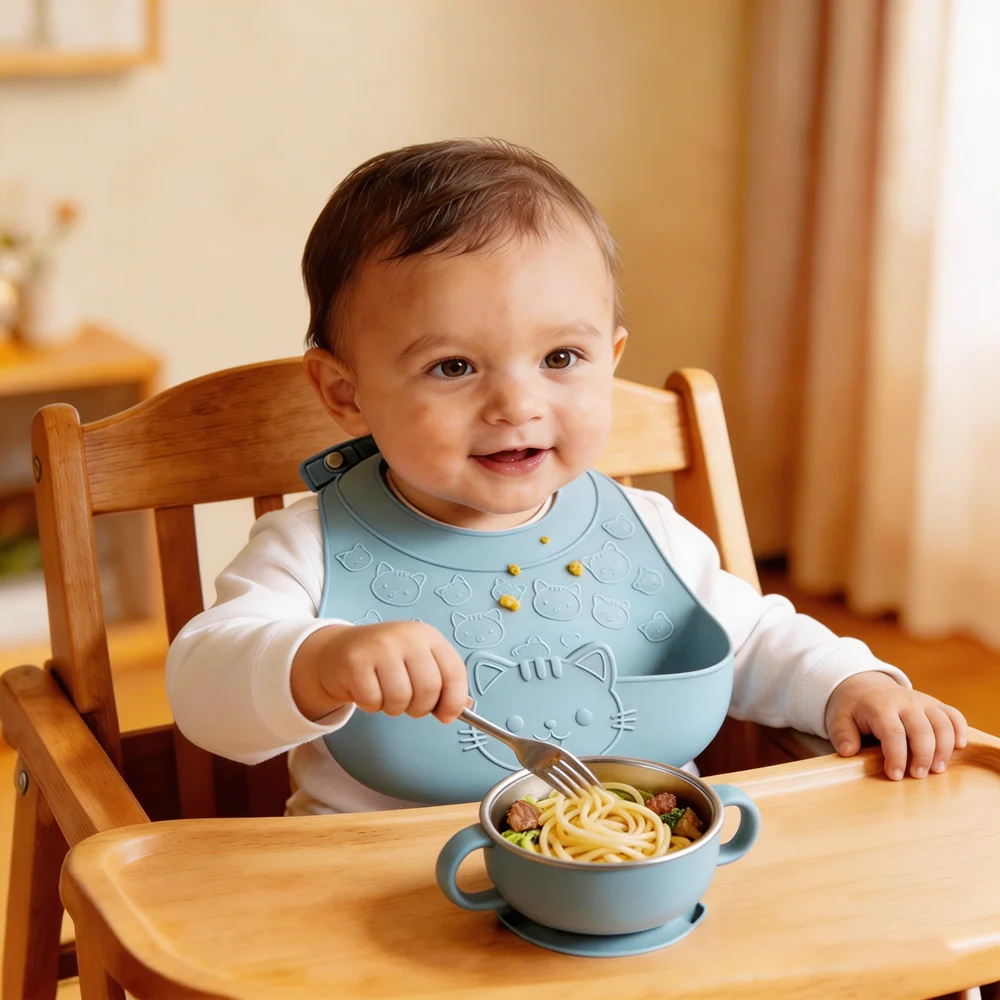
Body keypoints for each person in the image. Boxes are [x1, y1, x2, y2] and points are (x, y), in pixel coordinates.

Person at [166, 138, 968, 815]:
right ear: (347, 395)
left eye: (560, 357)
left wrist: (852, 685)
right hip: (375, 895)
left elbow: (753, 640)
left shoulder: (643, 531)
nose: (517, 405)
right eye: (453, 366)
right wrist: (318, 660)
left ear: (609, 361)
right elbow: (206, 690)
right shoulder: (310, 547)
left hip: (634, 871)